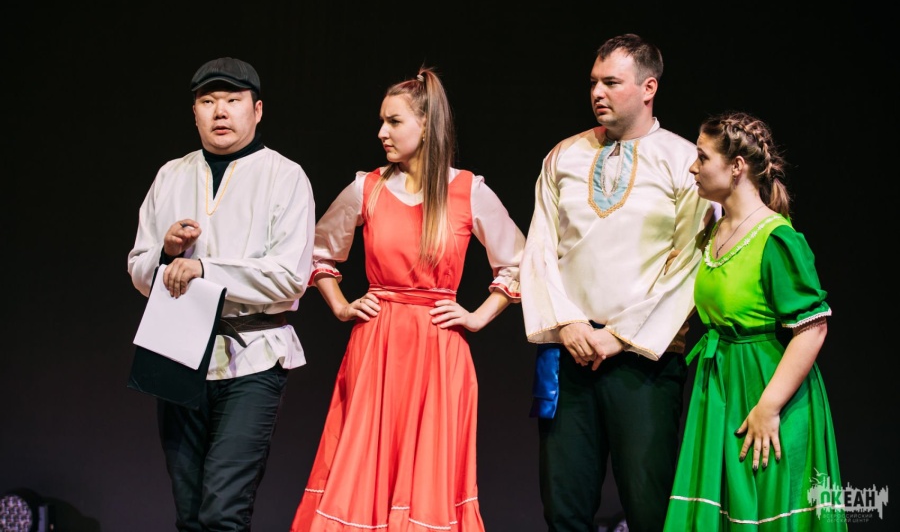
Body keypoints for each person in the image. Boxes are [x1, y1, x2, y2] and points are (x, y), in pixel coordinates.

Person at [289, 67, 525, 532]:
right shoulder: (369, 187)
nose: (382, 132)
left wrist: (479, 316)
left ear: (426, 125)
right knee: (364, 472)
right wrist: (340, 304)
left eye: (394, 121)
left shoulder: (468, 190)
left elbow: (519, 261)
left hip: (438, 351)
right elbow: (318, 251)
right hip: (377, 348)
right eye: (381, 121)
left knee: (428, 480)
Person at [520, 33, 716, 532]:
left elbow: (691, 262)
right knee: (564, 507)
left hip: (644, 360)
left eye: (611, 82)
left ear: (649, 88)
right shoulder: (563, 156)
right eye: (593, 82)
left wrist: (619, 335)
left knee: (650, 505)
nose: (597, 93)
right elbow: (539, 248)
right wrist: (567, 323)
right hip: (570, 352)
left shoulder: (684, 161)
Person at [127, 57, 316, 531]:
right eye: (208, 101)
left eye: (233, 100)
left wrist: (204, 269)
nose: (220, 112)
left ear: (257, 109)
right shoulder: (171, 175)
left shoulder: (284, 176)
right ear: (194, 112)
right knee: (190, 514)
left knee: (223, 513)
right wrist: (166, 254)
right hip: (178, 350)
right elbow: (138, 269)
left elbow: (289, 277)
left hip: (252, 354)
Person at [663, 111, 846, 531]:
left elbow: (812, 328)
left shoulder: (774, 237)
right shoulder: (713, 232)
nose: (693, 167)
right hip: (721, 387)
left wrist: (769, 407)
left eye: (703, 157)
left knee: (764, 510)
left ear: (737, 167)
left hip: (765, 388)